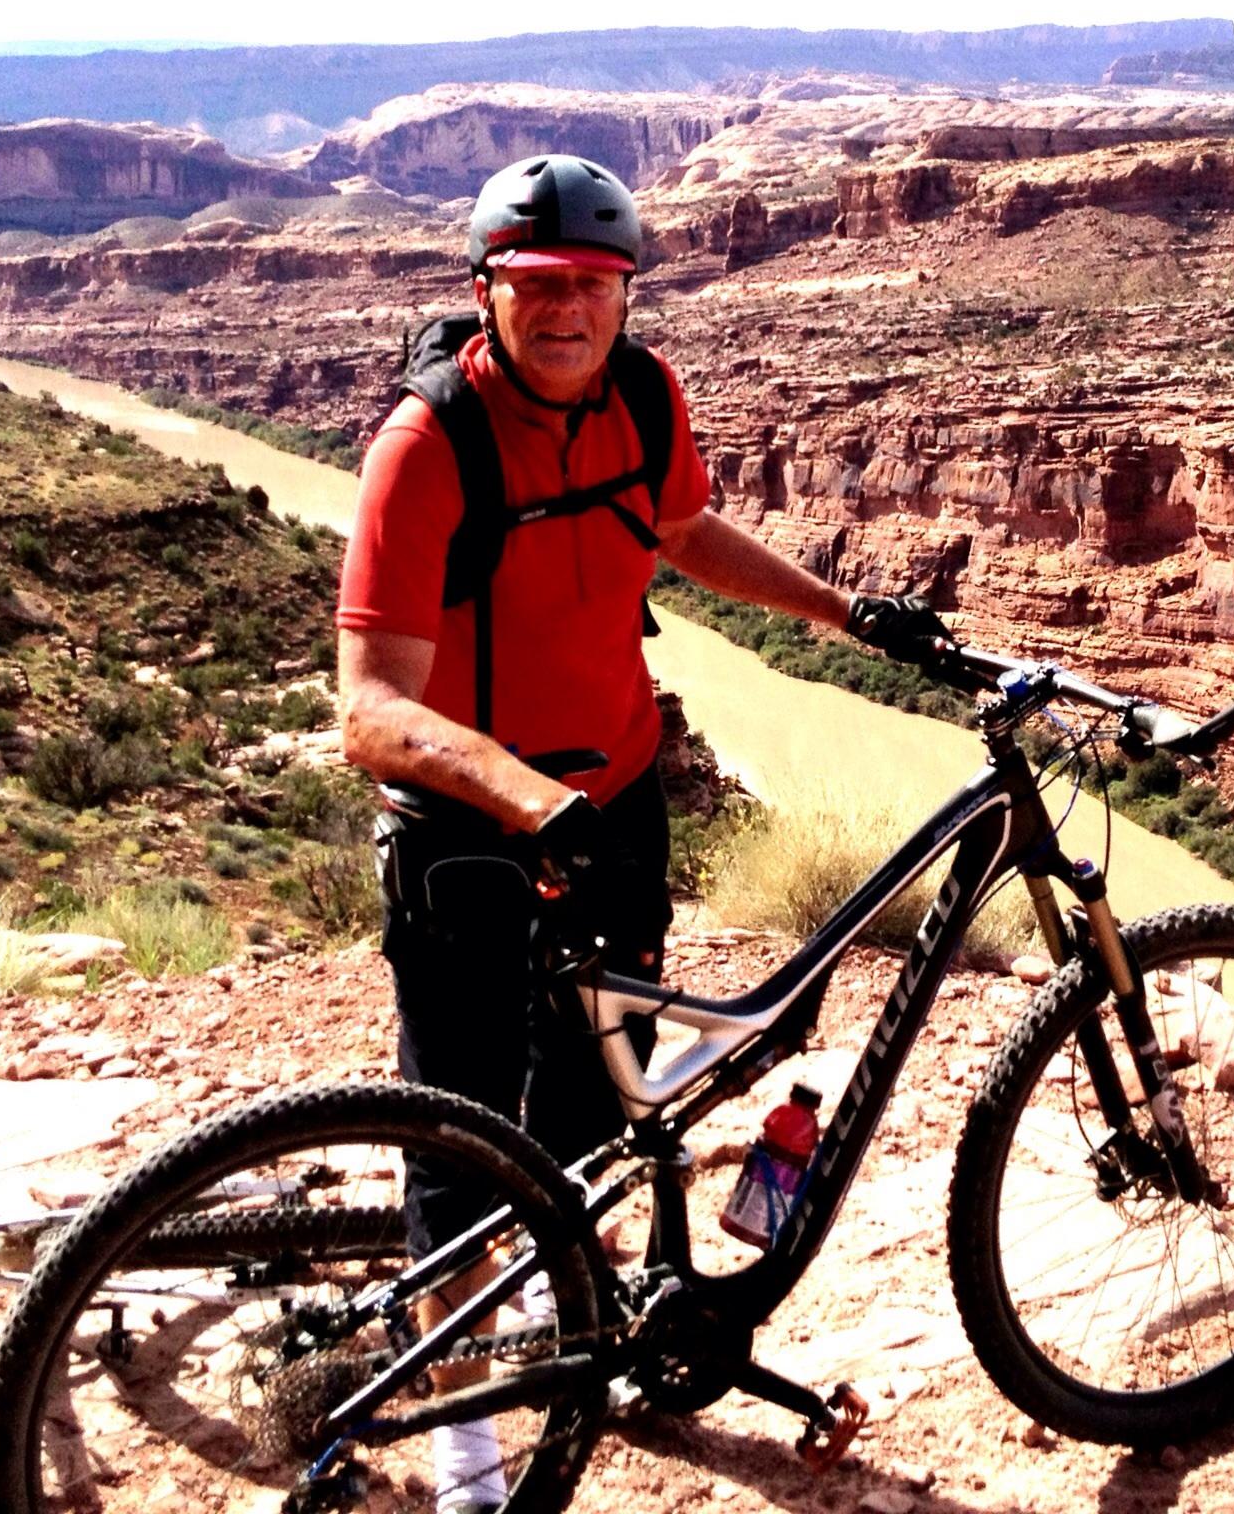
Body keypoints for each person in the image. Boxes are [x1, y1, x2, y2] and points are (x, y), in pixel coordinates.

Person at [335, 153, 940, 1511]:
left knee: (601, 1110)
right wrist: (514, 792)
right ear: (489, 289)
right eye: (541, 286)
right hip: (471, 840)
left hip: (614, 807)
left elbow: (682, 529)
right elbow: (371, 709)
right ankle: (468, 1441)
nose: (571, 312)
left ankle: (574, 1325)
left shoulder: (646, 397)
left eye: (596, 287)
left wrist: (846, 617)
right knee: (467, 1136)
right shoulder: (426, 446)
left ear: (624, 295)